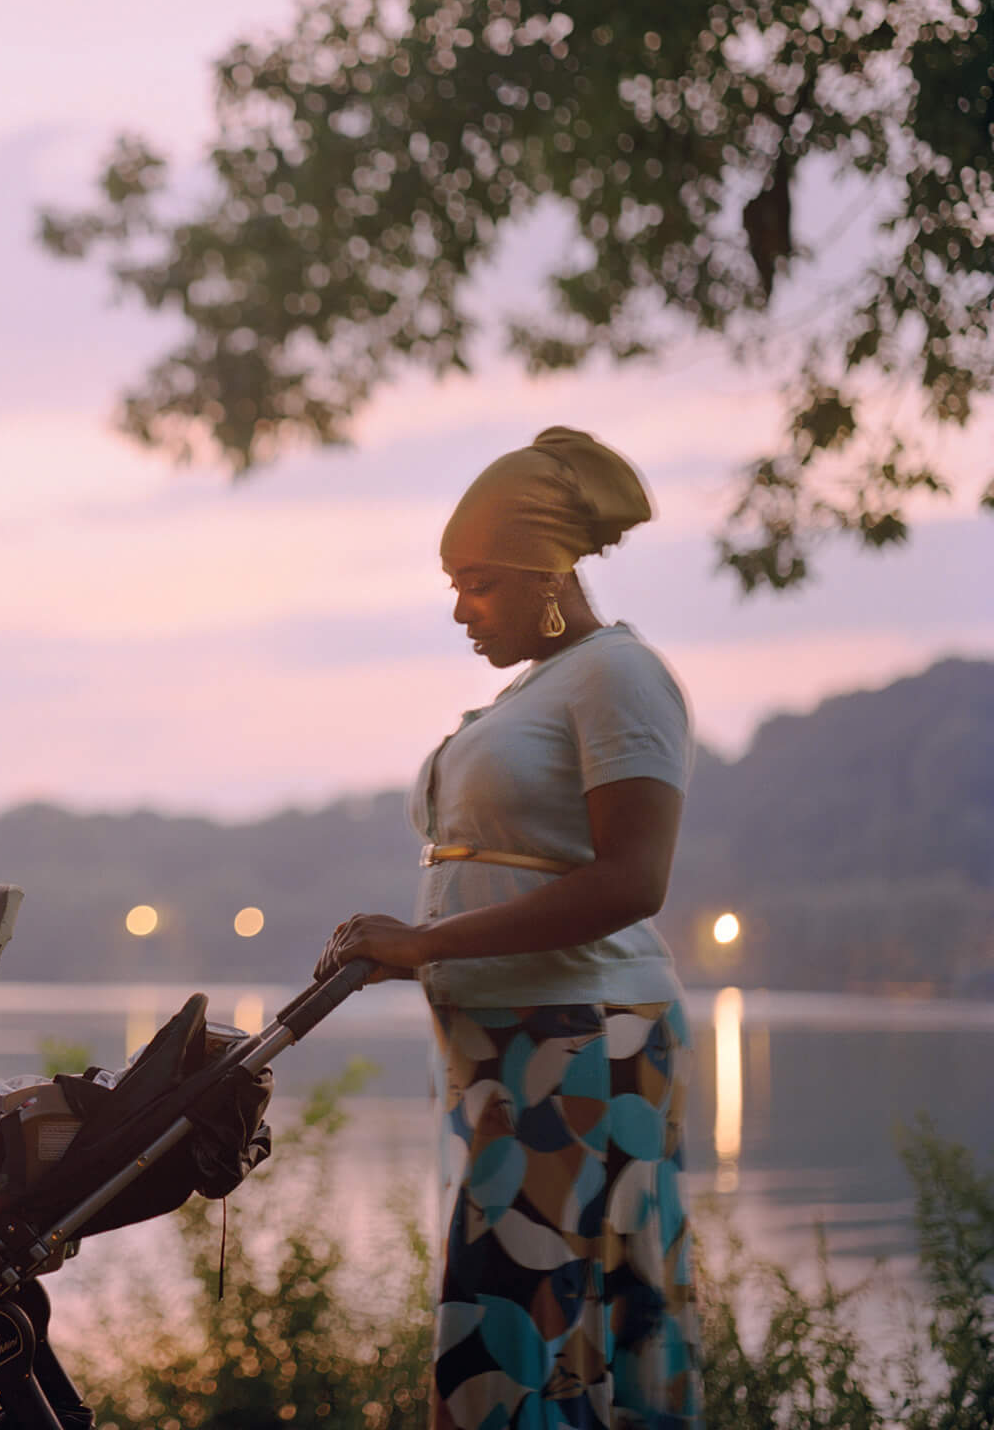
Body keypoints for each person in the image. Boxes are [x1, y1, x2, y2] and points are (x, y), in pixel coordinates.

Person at [317, 427, 702, 1430]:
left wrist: (428, 944)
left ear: (546, 574)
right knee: (524, 1322)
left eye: (477, 582)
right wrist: (400, 948)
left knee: (525, 1328)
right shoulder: (536, 689)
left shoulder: (618, 675)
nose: (458, 608)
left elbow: (631, 878)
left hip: (584, 1036)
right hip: (516, 1039)